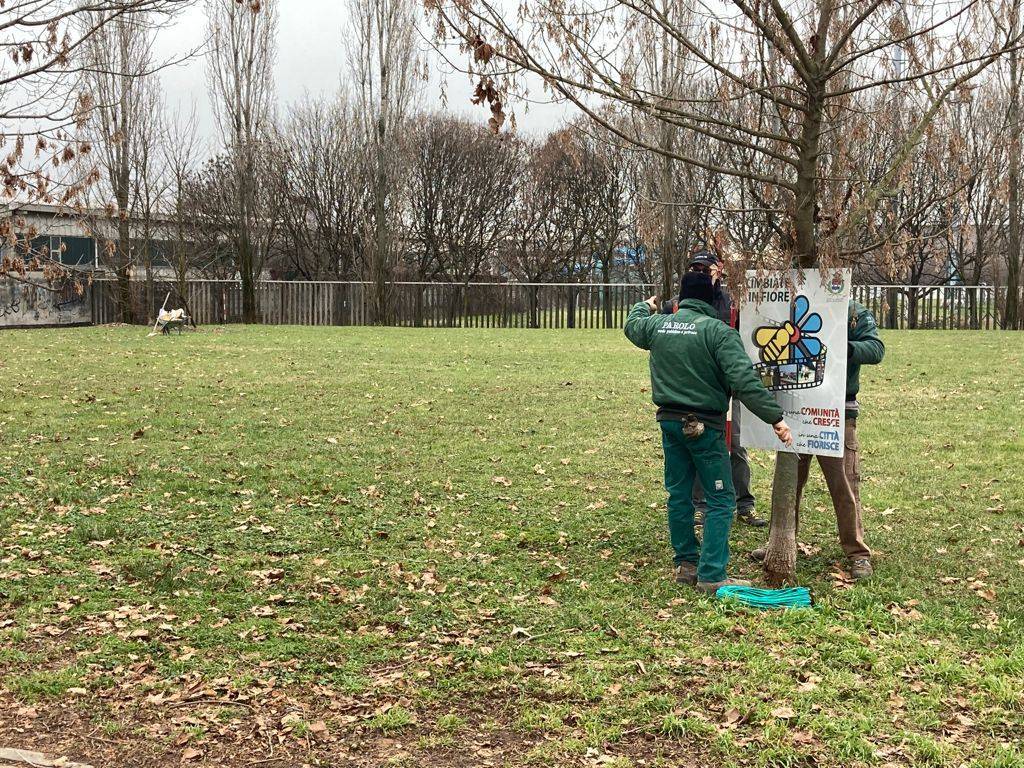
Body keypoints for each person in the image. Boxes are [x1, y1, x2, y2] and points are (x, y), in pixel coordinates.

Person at [625, 271, 793, 593]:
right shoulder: (719, 333)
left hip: (670, 424)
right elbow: (744, 381)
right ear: (711, 299)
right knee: (721, 498)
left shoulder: (659, 325)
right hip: (704, 427)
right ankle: (712, 574)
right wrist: (775, 418)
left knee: (679, 494)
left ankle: (686, 564)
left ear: (683, 296)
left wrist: (644, 306)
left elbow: (632, 326)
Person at [751, 300, 885, 580]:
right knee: (788, 482)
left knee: (844, 484)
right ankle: (781, 541)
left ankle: (857, 553)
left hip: (837, 411)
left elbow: (876, 349)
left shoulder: (852, 312)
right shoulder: (790, 308)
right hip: (795, 410)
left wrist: (846, 348)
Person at [686, 250, 766, 528]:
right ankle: (700, 505)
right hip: (699, 386)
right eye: (695, 268)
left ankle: (744, 503)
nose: (700, 274)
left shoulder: (733, 302)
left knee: (736, 444)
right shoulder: (684, 302)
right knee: (700, 444)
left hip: (729, 384)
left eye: (705, 269)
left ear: (718, 271)